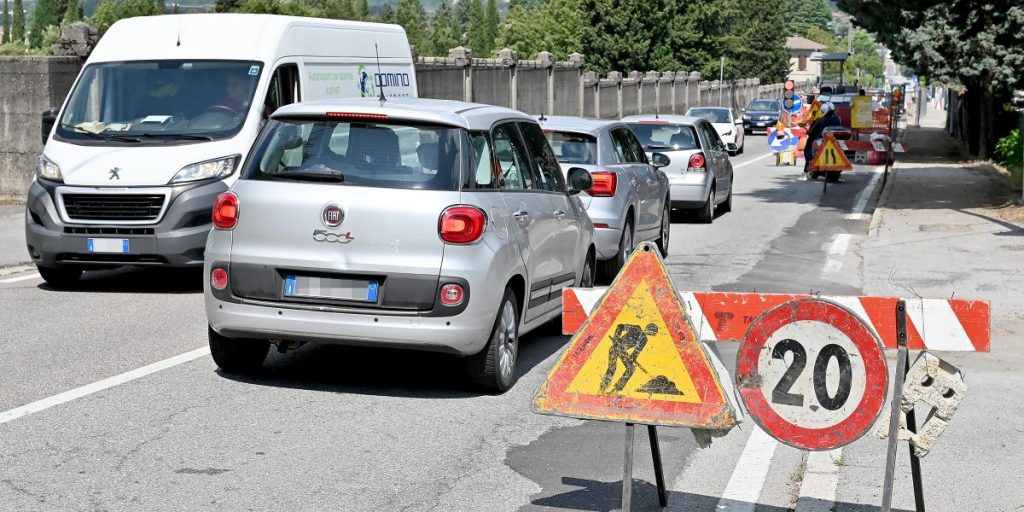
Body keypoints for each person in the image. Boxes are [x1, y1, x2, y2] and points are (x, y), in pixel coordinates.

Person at [600, 323, 659, 394]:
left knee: (631, 369)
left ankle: (615, 390)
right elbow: (620, 326)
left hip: (623, 351)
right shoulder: (636, 328)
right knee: (612, 368)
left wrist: (632, 358)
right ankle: (602, 389)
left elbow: (636, 353)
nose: (651, 333)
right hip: (615, 347)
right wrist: (616, 338)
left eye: (652, 333)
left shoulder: (644, 340)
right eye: (651, 331)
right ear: (648, 328)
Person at [803, 102, 841, 175]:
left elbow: (812, 131)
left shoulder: (821, 120)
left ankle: (806, 169)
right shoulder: (838, 118)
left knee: (809, 153)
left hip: (822, 140)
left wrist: (809, 132)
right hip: (835, 141)